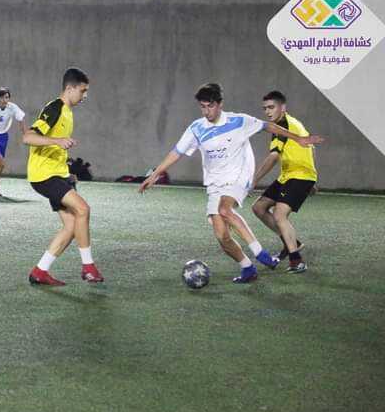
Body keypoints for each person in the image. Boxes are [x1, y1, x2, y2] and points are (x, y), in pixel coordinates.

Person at [139, 83, 322, 283]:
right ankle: (248, 268)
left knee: (225, 210)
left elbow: (267, 126)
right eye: (202, 107)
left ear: (220, 104)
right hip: (215, 182)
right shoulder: (197, 128)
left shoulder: (238, 120)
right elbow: (177, 152)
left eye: (210, 106)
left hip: (239, 175)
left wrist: (298, 139)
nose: (206, 111)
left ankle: (262, 253)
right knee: (222, 236)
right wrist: (156, 173)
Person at [24, 67, 103, 286]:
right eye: (82, 90)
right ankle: (88, 267)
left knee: (72, 226)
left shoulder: (68, 112)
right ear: (69, 88)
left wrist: (68, 171)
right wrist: (57, 141)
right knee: (83, 209)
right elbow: (28, 137)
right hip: (44, 175)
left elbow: (56, 148)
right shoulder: (55, 107)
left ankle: (39, 272)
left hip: (58, 174)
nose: (85, 95)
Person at [251, 91, 318, 273]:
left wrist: (254, 180)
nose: (267, 111)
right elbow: (310, 146)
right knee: (259, 207)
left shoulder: (283, 125)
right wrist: (313, 176)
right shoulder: (292, 123)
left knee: (279, 214)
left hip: (299, 176)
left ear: (282, 107)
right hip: (289, 175)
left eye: (271, 107)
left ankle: (297, 261)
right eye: (265, 108)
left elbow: (273, 156)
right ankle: (292, 243)